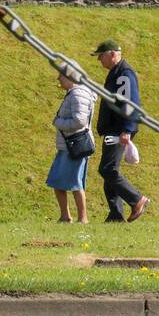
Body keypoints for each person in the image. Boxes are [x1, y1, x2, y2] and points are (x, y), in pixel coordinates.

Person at [93, 39, 150, 224]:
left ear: (112, 54)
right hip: (114, 128)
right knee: (110, 170)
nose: (99, 60)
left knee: (107, 169)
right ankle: (115, 215)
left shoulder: (124, 74)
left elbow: (130, 102)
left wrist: (127, 129)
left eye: (101, 56)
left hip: (119, 129)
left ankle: (136, 199)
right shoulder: (116, 73)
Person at [46, 70, 96, 224]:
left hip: (74, 146)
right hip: (69, 145)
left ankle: (83, 218)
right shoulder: (76, 93)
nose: (58, 79)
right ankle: (65, 216)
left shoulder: (77, 94)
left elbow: (79, 122)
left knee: (75, 184)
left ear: (69, 76)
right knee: (57, 181)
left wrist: (58, 122)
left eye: (60, 76)